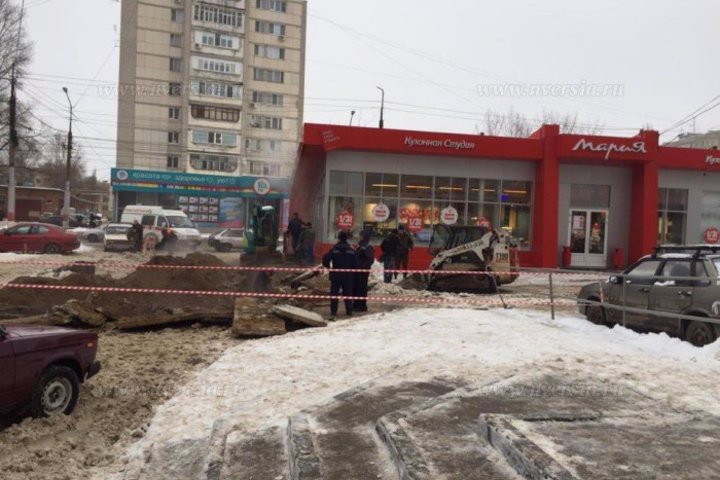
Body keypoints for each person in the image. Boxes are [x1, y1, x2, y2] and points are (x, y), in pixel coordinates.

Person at [322, 230, 358, 320]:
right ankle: (349, 311)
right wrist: (352, 271)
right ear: (346, 239)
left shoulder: (334, 249)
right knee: (348, 293)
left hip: (336, 275)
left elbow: (325, 259)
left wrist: (329, 268)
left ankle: (333, 311)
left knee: (334, 293)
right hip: (348, 275)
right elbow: (356, 263)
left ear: (339, 238)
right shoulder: (351, 250)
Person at [353, 229, 375, 312]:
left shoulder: (368, 246)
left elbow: (370, 259)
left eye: (361, 235)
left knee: (361, 288)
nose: (359, 237)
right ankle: (356, 304)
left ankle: (361, 306)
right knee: (356, 287)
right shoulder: (360, 245)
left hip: (362, 271)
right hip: (357, 270)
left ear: (364, 236)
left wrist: (363, 267)